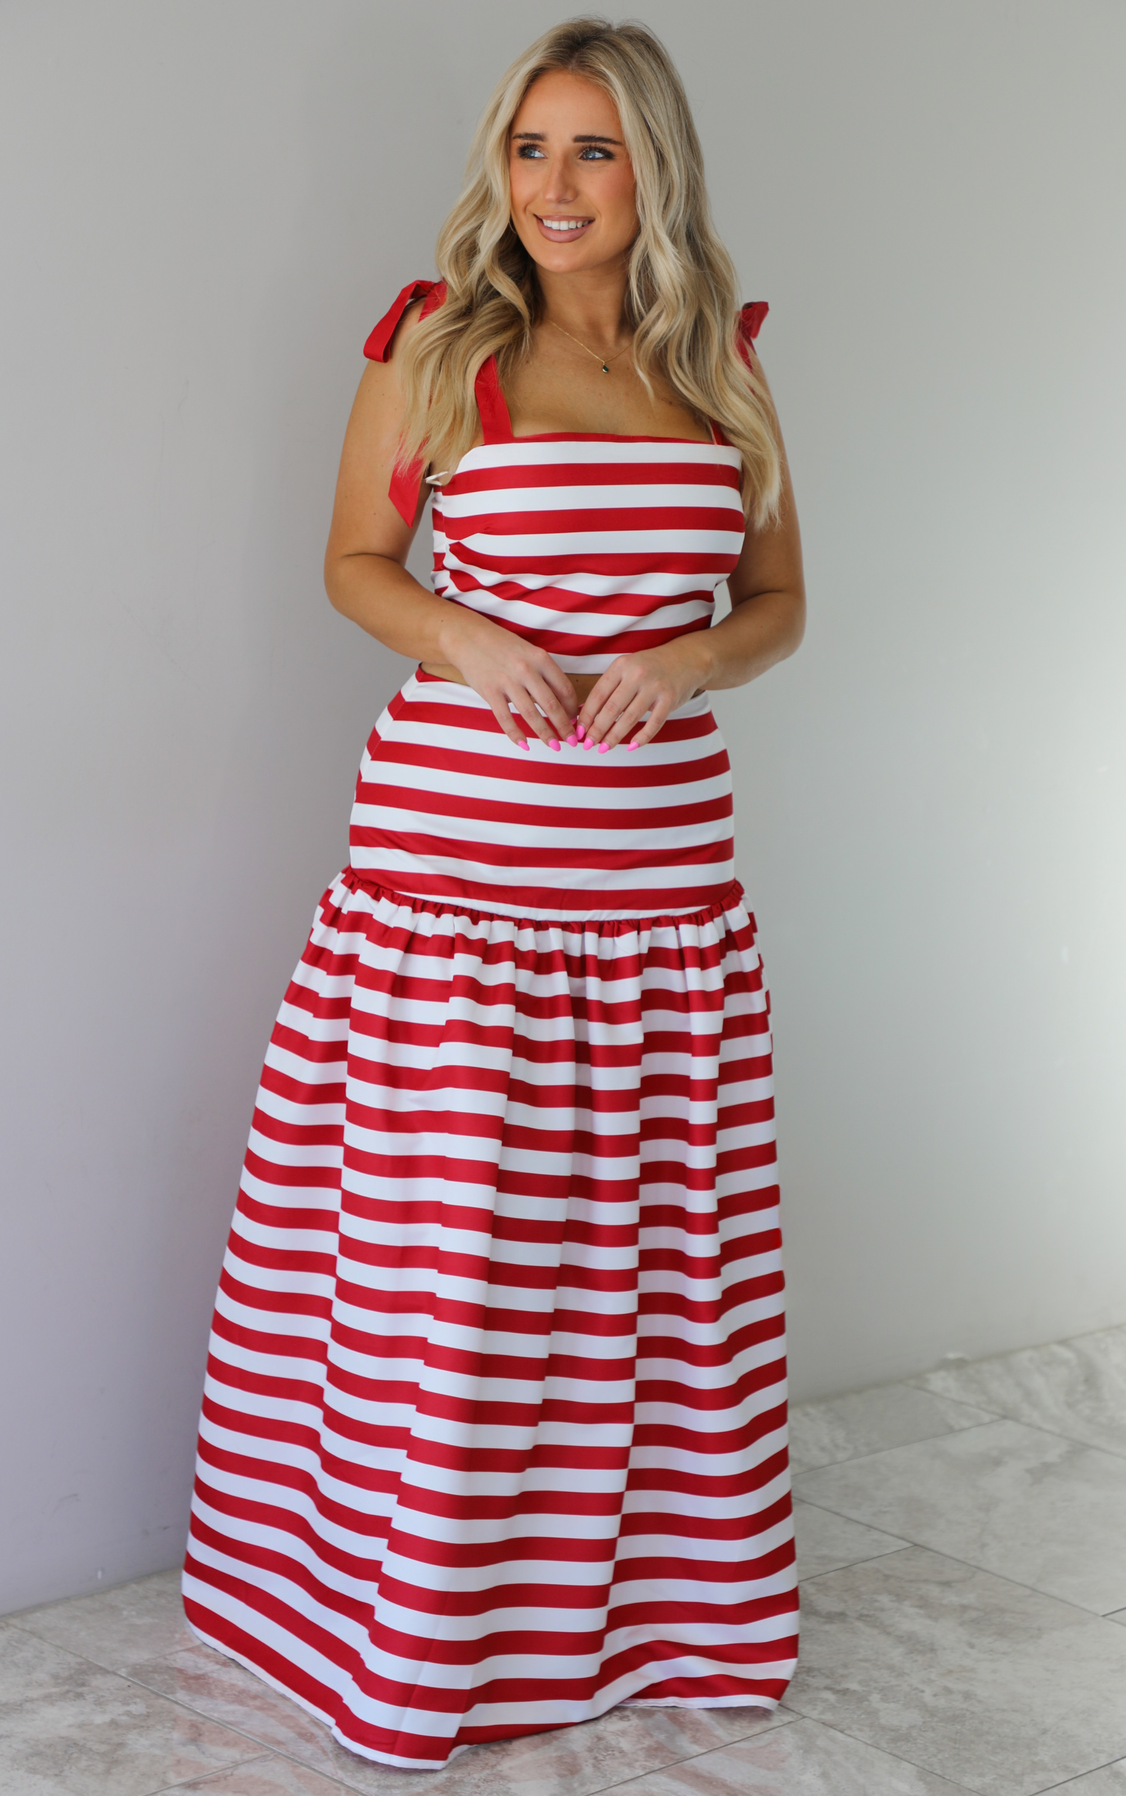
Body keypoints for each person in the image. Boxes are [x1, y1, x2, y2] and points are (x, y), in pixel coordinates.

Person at [182, 15, 805, 1772]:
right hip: (455, 892)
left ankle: (652, 1618)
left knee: (648, 1282)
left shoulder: (727, 371)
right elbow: (353, 565)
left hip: (664, 896)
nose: (554, 186)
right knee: (448, 1274)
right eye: (532, 149)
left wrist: (689, 662)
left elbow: (780, 606)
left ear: (652, 169)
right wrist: (461, 631)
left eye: (594, 151)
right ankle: (405, 1629)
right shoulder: (441, 345)